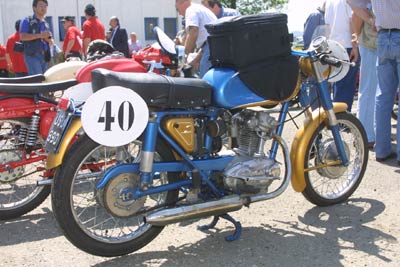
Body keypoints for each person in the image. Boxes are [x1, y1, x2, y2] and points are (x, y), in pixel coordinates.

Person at [347, 0, 400, 165]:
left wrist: (371, 20)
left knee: (383, 96)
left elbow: (353, 3)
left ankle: (381, 149)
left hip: (383, 37)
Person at [350, 6, 378, 149]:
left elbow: (355, 15)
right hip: (374, 43)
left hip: (368, 43)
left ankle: (365, 134)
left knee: (367, 90)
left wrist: (356, 36)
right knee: (375, 92)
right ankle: (368, 135)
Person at [325, 0, 360, 112]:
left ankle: (337, 117)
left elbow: (327, 25)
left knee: (338, 83)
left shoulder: (330, 2)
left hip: (334, 45)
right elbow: (352, 20)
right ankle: (343, 117)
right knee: (347, 85)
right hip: (348, 45)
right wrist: (355, 46)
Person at [175, 0, 217, 78]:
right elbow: (206, 42)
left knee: (205, 82)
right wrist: (194, 61)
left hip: (211, 47)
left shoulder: (190, 10)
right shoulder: (200, 9)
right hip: (213, 46)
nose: (179, 13)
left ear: (181, 2)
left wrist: (184, 58)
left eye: (177, 9)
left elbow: (193, 32)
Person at [19, 0, 53, 75]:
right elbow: (23, 36)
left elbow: (49, 41)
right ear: (34, 8)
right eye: (41, 5)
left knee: (46, 79)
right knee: (37, 80)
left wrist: (49, 40)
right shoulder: (27, 20)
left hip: (45, 56)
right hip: (32, 55)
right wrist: (40, 35)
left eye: (45, 6)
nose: (43, 8)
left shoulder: (46, 23)